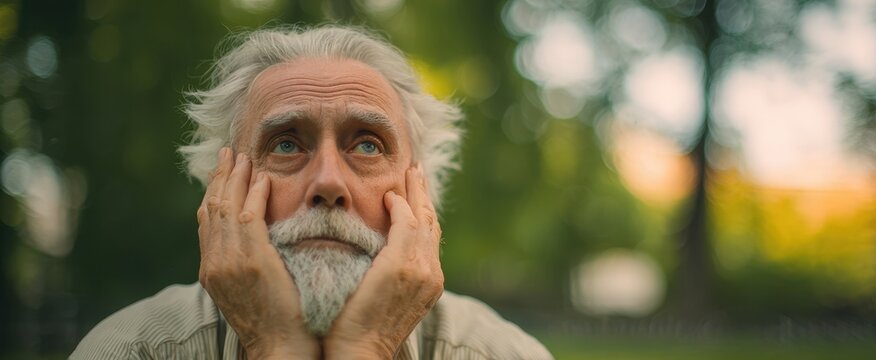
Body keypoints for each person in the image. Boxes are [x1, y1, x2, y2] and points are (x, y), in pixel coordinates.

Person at [71, 25, 552, 359]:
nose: (327, 183)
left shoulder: (501, 354)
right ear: (223, 190)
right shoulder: (133, 349)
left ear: (419, 192)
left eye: (367, 144)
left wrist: (364, 348)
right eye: (285, 143)